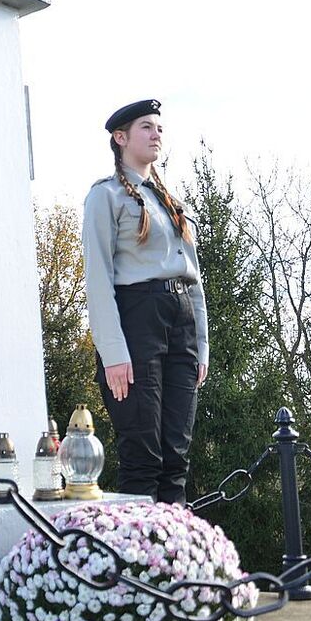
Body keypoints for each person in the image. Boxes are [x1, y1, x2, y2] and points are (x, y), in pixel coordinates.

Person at [82, 99, 209, 503]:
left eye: (159, 127)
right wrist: (113, 352)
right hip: (137, 320)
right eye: (146, 127)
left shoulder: (171, 203)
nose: (157, 134)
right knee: (144, 456)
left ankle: (175, 557)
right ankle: (140, 561)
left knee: (176, 457)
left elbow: (194, 279)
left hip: (182, 323)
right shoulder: (104, 196)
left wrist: (201, 345)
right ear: (120, 138)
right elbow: (98, 279)